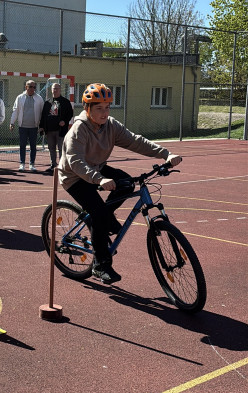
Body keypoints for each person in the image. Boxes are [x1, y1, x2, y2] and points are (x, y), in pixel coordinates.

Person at [58, 82, 182, 285]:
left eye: (107, 108)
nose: (104, 113)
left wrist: (166, 154)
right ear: (87, 109)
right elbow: (76, 162)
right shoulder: (78, 130)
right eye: (99, 108)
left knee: (126, 183)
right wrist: (100, 179)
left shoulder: (111, 125)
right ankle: (100, 265)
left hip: (97, 168)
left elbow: (136, 141)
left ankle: (105, 220)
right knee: (98, 214)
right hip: (74, 177)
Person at [10, 80, 44, 172]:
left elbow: (42, 113)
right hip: (23, 126)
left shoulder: (39, 98)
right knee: (22, 146)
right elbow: (15, 110)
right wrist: (12, 122)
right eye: (30, 87)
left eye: (34, 87)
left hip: (34, 127)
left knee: (33, 146)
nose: (32, 89)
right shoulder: (20, 98)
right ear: (26, 87)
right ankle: (22, 164)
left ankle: (32, 164)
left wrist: (41, 125)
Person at [39, 83, 73, 173]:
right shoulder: (47, 102)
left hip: (60, 130)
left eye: (57, 89)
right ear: (51, 90)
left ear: (60, 90)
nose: (55, 90)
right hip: (49, 130)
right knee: (51, 148)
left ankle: (62, 165)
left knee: (61, 148)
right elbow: (43, 115)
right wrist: (41, 126)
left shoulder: (65, 102)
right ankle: (53, 164)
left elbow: (70, 114)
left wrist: (64, 121)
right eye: (53, 89)